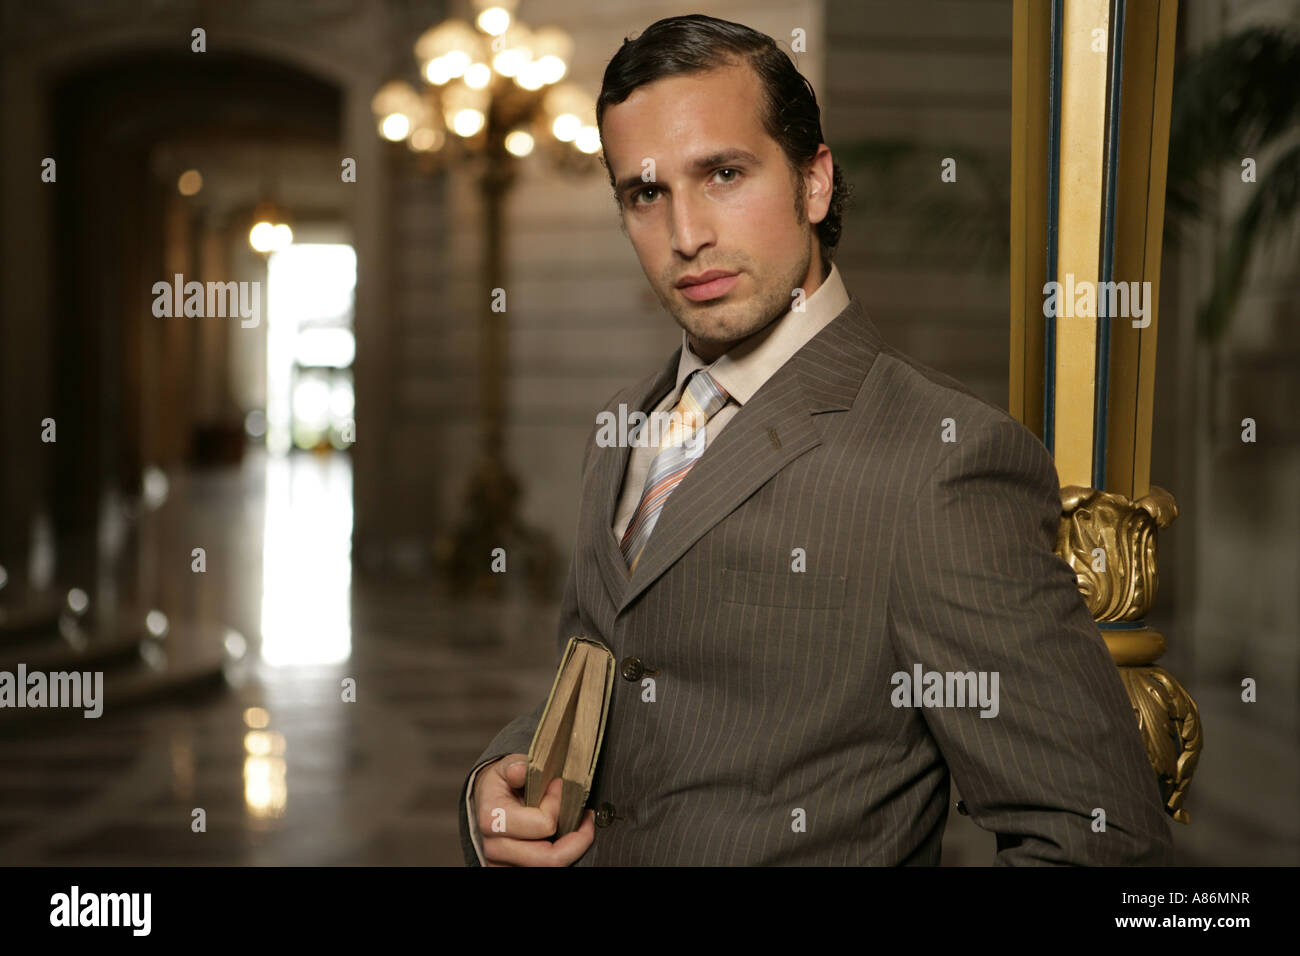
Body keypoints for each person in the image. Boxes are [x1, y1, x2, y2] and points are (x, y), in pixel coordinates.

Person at [458, 13, 1174, 866]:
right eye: (646, 193)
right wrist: (496, 784)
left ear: (815, 183)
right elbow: (623, 676)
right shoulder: (625, 427)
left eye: (724, 172)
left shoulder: (943, 462)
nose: (686, 236)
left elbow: (1102, 839)